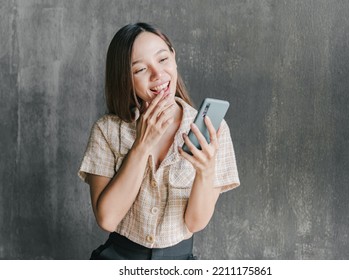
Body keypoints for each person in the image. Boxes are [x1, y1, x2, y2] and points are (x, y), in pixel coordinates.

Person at [78, 22, 240, 260]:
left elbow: (195, 223)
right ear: (125, 79)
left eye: (163, 60)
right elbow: (107, 219)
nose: (158, 75)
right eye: (140, 69)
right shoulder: (107, 131)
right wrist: (141, 146)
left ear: (174, 57)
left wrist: (205, 171)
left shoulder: (213, 130)